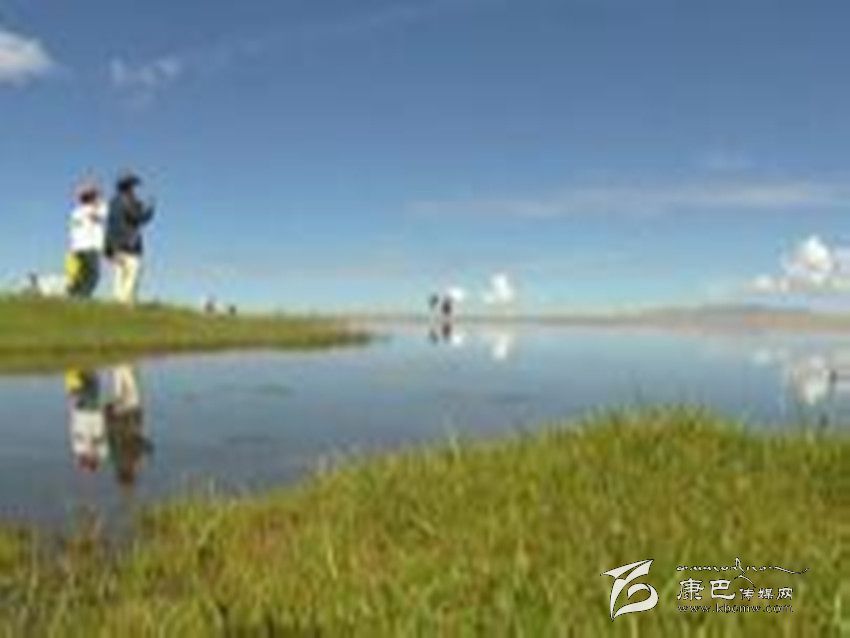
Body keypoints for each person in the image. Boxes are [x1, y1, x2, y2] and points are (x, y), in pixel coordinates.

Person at [106, 171, 155, 305]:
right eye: (133, 186)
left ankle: (118, 304)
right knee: (133, 274)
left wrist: (109, 249)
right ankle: (126, 303)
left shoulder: (112, 203)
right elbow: (138, 217)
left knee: (119, 276)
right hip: (130, 244)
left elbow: (109, 226)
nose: (134, 189)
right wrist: (150, 209)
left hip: (117, 246)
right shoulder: (128, 200)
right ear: (128, 186)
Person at [67, 180, 107, 298]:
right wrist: (98, 197)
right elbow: (104, 212)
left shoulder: (75, 212)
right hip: (89, 247)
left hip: (76, 247)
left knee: (81, 274)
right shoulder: (92, 210)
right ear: (92, 198)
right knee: (93, 275)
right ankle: (82, 297)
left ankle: (73, 295)